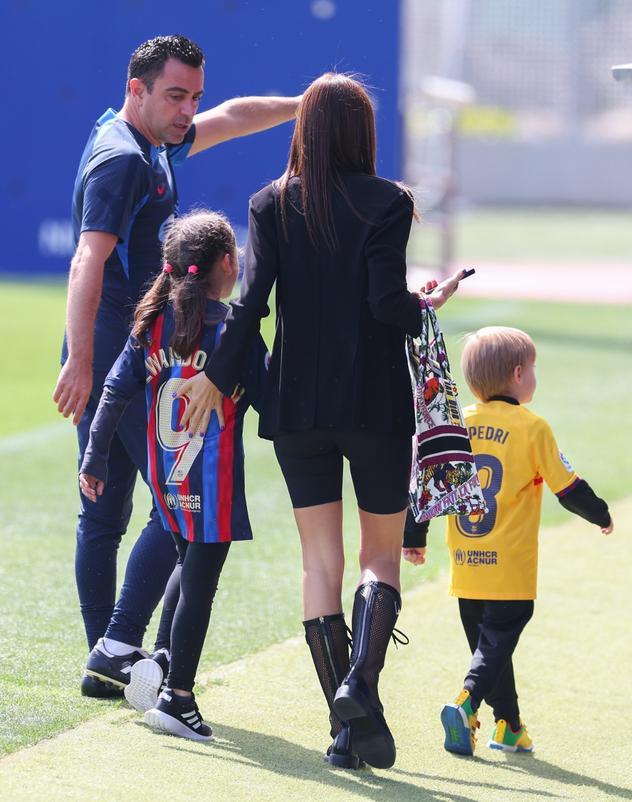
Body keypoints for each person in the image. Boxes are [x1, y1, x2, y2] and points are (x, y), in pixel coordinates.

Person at [174, 73, 466, 769]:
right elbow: (383, 304)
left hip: (295, 407)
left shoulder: (270, 202)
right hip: (374, 403)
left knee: (319, 563)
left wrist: (217, 376)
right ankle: (360, 689)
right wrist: (429, 301)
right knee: (380, 558)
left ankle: (346, 731)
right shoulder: (388, 202)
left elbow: (250, 307)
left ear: (304, 130)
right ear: (362, 132)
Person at [52, 34, 300, 697]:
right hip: (123, 363)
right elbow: (87, 260)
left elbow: (235, 116)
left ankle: (108, 660)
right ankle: (122, 650)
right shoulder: (125, 161)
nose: (190, 109)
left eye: (193, 95)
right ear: (136, 89)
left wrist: (305, 104)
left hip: (127, 356)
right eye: (175, 95)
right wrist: (81, 361)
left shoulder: (150, 140)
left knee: (109, 513)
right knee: (180, 512)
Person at [79, 210, 267, 740]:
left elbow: (113, 391)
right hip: (213, 480)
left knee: (187, 567)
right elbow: (271, 404)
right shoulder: (233, 329)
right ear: (227, 263)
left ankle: (161, 657)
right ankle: (178, 698)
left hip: (167, 480)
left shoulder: (151, 325)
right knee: (200, 582)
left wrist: (93, 457)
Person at [403, 326, 613, 756]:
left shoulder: (458, 422)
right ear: (518, 374)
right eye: (533, 367)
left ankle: (509, 726)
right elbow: (568, 488)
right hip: (510, 567)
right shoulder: (532, 428)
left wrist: (414, 535)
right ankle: (466, 701)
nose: (535, 374)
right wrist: (601, 514)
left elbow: (428, 482)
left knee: (491, 650)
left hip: (466, 564)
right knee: (495, 646)